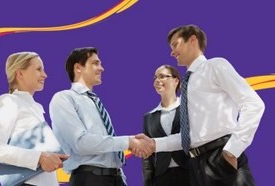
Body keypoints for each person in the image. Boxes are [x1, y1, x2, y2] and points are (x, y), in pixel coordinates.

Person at [146, 24, 265, 186]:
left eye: (175, 44)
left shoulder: (215, 66)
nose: (172, 52)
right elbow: (191, 137)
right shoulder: (187, 85)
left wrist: (232, 151)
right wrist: (154, 144)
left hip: (220, 158)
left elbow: (253, 104)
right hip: (195, 166)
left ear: (193, 40)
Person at [49, 47, 153, 186]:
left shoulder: (95, 102)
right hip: (90, 179)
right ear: (78, 67)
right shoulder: (64, 99)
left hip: (116, 178)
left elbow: (104, 143)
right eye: (95, 63)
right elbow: (81, 143)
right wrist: (129, 141)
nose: (101, 68)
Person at [0, 52, 69, 186]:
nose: (45, 75)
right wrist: (40, 157)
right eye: (38, 69)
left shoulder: (36, 107)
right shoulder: (9, 101)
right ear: (20, 73)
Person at [142, 65, 190, 186]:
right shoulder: (149, 118)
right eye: (155, 77)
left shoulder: (189, 108)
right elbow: (147, 156)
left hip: (190, 173)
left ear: (176, 80)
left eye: (162, 76)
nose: (157, 80)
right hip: (162, 177)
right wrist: (148, 182)